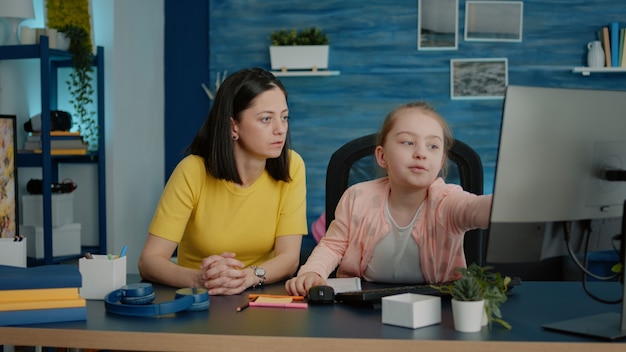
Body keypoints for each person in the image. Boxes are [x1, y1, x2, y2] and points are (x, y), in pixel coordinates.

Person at [286, 102, 492, 296]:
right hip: (362, 303)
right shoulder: (357, 196)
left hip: (437, 304)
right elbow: (332, 246)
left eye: (433, 146)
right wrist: (313, 272)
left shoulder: (448, 201)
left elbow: (476, 209)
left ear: (441, 162)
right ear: (382, 156)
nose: (421, 153)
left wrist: (508, 200)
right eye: (408, 142)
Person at [139, 68, 308, 296]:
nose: (281, 129)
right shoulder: (192, 171)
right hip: (199, 299)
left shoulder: (292, 166)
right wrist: (201, 279)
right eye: (266, 119)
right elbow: (149, 261)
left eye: (284, 117)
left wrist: (247, 277)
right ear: (232, 126)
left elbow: (289, 259)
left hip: (261, 297)